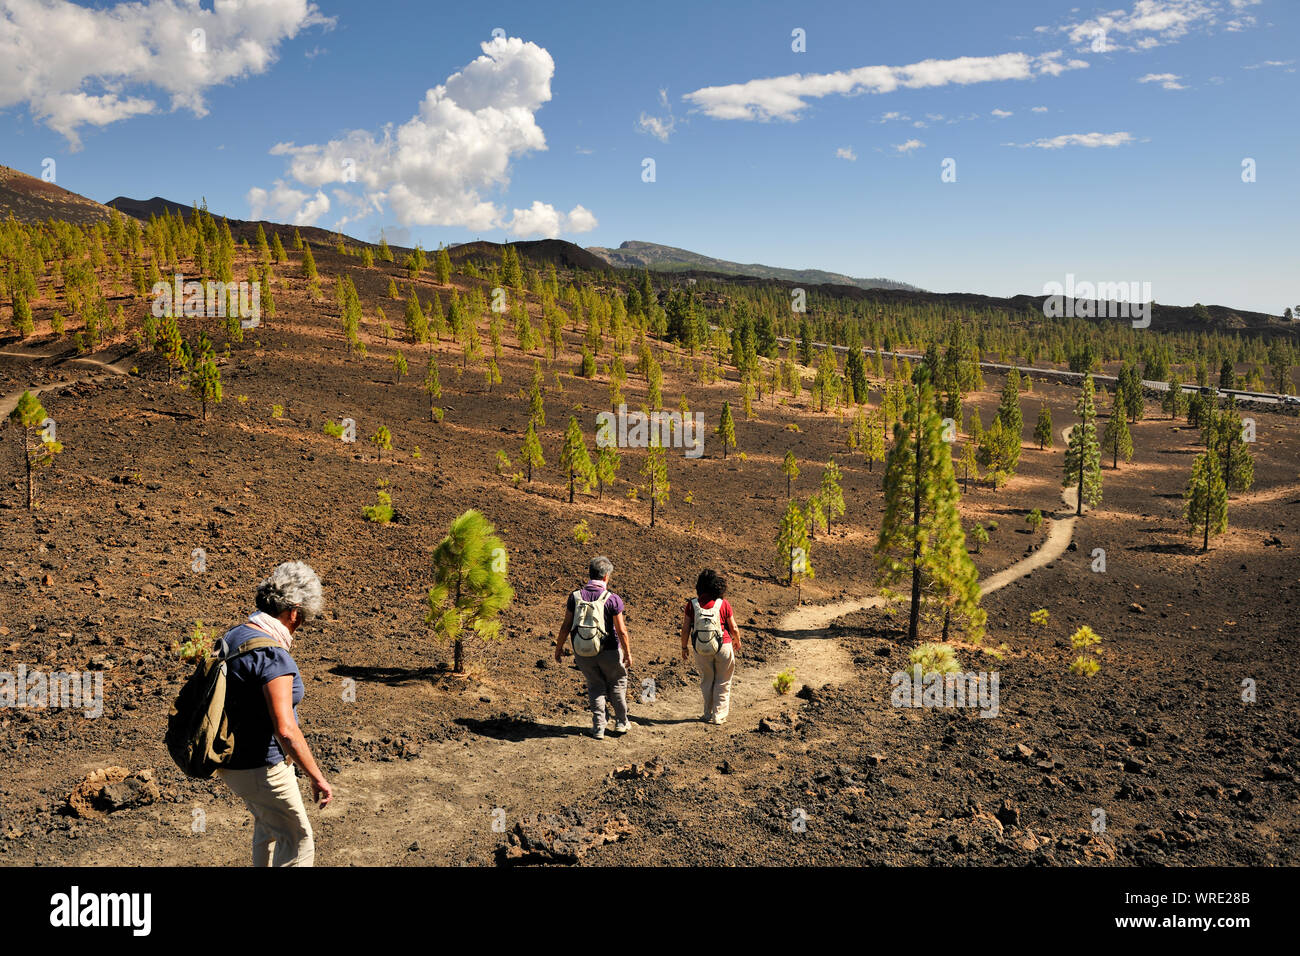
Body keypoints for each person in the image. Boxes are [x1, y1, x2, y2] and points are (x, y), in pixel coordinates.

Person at [215, 560, 332, 866]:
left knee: (268, 830)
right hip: (260, 767)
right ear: (293, 611)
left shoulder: (237, 635)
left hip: (231, 761)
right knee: (298, 840)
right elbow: (286, 730)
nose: (302, 623)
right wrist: (317, 777)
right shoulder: (272, 656)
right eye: (303, 617)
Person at [554, 556, 634, 739]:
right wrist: (628, 653)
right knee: (617, 683)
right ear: (606, 577)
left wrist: (558, 648)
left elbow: (566, 625)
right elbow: (621, 630)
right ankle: (621, 722)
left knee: (595, 686)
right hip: (610, 651)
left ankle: (598, 728)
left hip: (582, 650)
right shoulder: (612, 599)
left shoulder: (575, 596)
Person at [681, 568, 741, 725]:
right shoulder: (723, 604)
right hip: (724, 645)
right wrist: (737, 640)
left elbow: (686, 628)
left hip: (701, 648)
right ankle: (719, 715)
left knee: (707, 680)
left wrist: (684, 647)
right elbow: (733, 627)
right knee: (723, 681)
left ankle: (707, 714)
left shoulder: (692, 604)